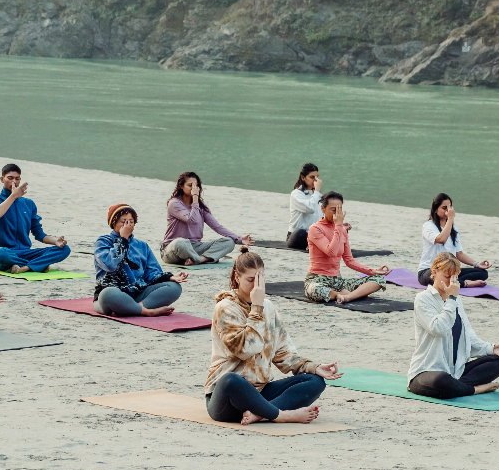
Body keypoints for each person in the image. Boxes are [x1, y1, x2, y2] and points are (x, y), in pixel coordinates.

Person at [206, 247, 344, 425]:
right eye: (250, 280)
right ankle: (282, 415)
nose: (257, 287)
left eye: (260, 280)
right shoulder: (225, 308)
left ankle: (260, 413)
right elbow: (246, 350)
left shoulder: (268, 307)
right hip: (228, 399)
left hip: (260, 392)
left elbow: (283, 352)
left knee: (315, 381)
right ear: (236, 277)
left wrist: (312, 367)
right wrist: (256, 309)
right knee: (231, 380)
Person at [409, 252, 499, 398]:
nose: (451, 282)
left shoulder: (456, 299)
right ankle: (476, 389)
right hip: (427, 371)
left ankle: (457, 387)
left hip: (456, 371)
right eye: (447, 276)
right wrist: (451, 300)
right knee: (441, 380)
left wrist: (490, 348)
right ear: (434, 272)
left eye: (454, 277)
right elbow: (439, 329)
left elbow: (466, 335)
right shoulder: (423, 299)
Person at [94, 204, 189, 317]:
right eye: (123, 222)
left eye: (131, 221)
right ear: (113, 223)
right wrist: (123, 239)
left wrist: (168, 277)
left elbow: (151, 273)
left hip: (138, 294)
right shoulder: (103, 242)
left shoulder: (142, 246)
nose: (127, 225)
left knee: (174, 287)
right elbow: (110, 265)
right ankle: (146, 311)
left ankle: (135, 307)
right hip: (113, 294)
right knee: (107, 294)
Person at [303, 192, 390, 304]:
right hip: (317, 280)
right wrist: (339, 225)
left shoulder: (341, 230)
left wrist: (372, 271)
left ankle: (347, 297)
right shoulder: (315, 229)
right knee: (316, 290)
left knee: (379, 279)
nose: (337, 214)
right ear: (323, 209)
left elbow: (349, 260)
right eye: (333, 210)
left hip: (337, 281)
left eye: (339, 210)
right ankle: (342, 294)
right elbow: (331, 252)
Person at [0, 163, 71, 273]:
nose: (14, 182)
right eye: (10, 178)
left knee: (65, 250)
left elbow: (38, 233)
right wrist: (13, 196)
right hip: (4, 253)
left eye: (17, 179)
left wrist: (55, 242)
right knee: (0, 254)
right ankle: (36, 265)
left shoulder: (28, 204)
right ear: (2, 179)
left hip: (26, 252)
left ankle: (25, 267)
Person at [162, 171, 254, 266]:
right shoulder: (174, 203)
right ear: (181, 186)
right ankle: (199, 259)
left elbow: (217, 226)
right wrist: (195, 197)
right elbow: (191, 220)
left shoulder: (200, 206)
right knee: (181, 242)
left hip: (195, 247)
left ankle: (200, 259)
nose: (194, 189)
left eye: (196, 186)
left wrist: (238, 239)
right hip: (173, 250)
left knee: (229, 242)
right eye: (190, 185)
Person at [416, 193, 491, 287]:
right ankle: (465, 283)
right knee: (439, 276)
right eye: (444, 208)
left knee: (482, 273)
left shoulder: (453, 229)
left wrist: (476, 264)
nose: (448, 211)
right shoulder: (428, 225)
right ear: (435, 209)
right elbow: (441, 239)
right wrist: (450, 218)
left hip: (450, 271)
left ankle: (456, 280)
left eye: (450, 207)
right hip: (429, 271)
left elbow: (459, 254)